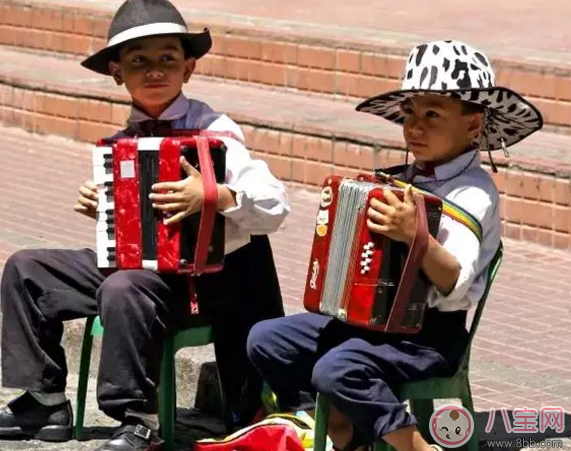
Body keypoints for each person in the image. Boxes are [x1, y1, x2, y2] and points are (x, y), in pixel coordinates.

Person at [0, 1, 290, 450]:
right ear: (117, 72)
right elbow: (128, 235)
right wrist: (105, 207)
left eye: (167, 60)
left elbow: (275, 206)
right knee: (26, 268)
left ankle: (137, 417)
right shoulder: (121, 142)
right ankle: (45, 398)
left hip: (206, 285)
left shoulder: (217, 131)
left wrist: (213, 196)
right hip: (143, 276)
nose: (155, 71)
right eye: (139, 62)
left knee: (123, 286)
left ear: (188, 69)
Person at [247, 39, 543, 451]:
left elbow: (453, 282)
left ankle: (414, 445)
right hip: (371, 324)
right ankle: (340, 427)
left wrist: (415, 235)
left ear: (473, 125)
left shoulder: (474, 193)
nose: (415, 126)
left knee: (336, 369)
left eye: (432, 114)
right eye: (410, 112)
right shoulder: (407, 177)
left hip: (428, 336)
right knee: (266, 339)